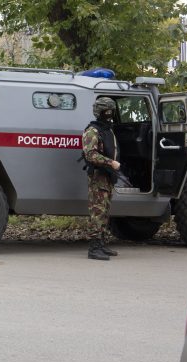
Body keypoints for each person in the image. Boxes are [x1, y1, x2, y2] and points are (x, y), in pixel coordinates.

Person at [82, 97, 120, 261]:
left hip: (107, 176)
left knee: (104, 212)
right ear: (100, 112)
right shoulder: (92, 130)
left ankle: (101, 244)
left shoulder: (107, 130)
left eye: (111, 111)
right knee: (97, 213)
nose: (109, 114)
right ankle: (94, 248)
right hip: (98, 176)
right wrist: (110, 162)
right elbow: (90, 154)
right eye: (107, 111)